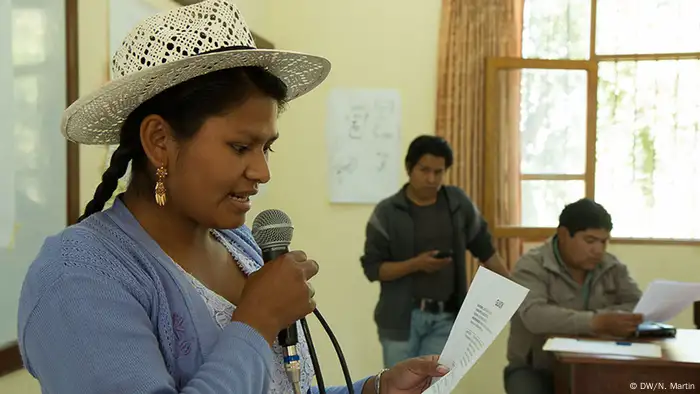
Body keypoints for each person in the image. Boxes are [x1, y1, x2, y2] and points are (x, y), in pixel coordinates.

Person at [16, 2, 449, 393]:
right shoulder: (75, 278)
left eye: (267, 147)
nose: (262, 173)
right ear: (159, 140)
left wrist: (373, 390)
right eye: (241, 147)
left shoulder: (237, 245)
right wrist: (258, 321)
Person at [360, 135, 510, 368]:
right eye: (424, 170)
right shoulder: (387, 212)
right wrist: (416, 264)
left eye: (438, 172)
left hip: (446, 318)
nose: (431, 179)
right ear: (409, 168)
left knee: (434, 387)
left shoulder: (457, 203)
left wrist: (512, 287)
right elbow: (373, 269)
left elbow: (484, 246)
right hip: (400, 321)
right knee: (398, 387)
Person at [503, 198, 643, 394]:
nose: (598, 250)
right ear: (563, 235)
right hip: (536, 369)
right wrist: (596, 322)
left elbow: (637, 305)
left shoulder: (612, 267)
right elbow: (535, 316)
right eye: (590, 241)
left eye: (604, 242)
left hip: (596, 364)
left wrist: (607, 320)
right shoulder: (531, 266)